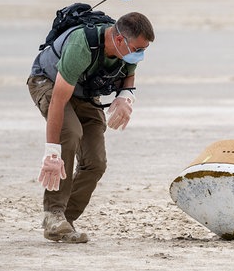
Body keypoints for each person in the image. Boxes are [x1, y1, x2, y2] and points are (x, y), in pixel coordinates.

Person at [27, 12, 155, 243]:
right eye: (138, 48)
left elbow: (128, 74)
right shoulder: (81, 46)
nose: (141, 54)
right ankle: (53, 214)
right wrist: (52, 153)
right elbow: (58, 100)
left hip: (84, 93)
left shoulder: (125, 49)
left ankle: (64, 220)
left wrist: (126, 96)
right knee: (71, 133)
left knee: (96, 162)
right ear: (118, 40)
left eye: (144, 49)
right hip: (49, 83)